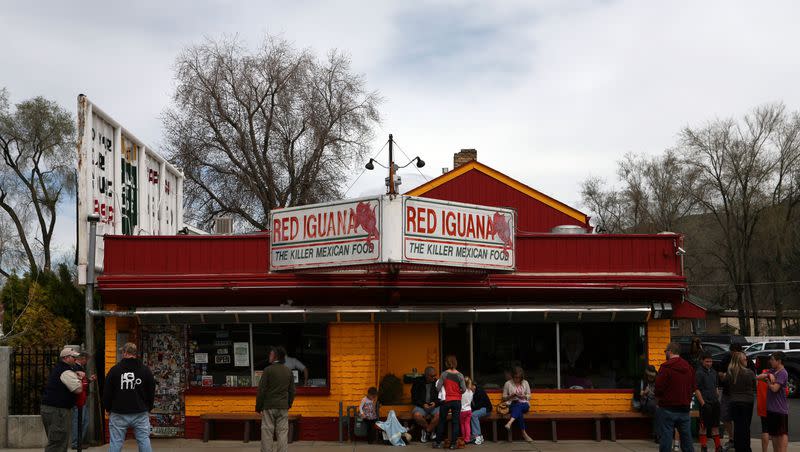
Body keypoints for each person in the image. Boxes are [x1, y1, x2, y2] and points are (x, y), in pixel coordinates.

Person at [103, 343, 155, 452]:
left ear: (125, 353)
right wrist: (149, 408)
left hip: (118, 412)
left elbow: (107, 392)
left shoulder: (114, 370)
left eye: (122, 352)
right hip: (140, 412)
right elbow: (151, 391)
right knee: (144, 440)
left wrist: (107, 408)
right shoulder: (145, 370)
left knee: (116, 442)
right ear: (134, 354)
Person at [41, 347, 84, 452]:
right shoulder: (65, 371)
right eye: (73, 357)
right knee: (58, 442)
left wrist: (75, 374)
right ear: (66, 358)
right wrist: (80, 379)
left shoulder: (60, 369)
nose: (76, 359)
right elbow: (78, 389)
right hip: (58, 411)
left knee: (56, 440)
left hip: (51, 409)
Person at [654, 342, 695, 452]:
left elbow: (658, 387)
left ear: (670, 351)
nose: (665, 353)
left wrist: (657, 401)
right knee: (686, 438)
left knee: (666, 436)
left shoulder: (665, 367)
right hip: (684, 407)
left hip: (667, 407)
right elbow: (693, 386)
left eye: (665, 351)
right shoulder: (689, 367)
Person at [256, 346, 296, 452]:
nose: (269, 356)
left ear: (275, 356)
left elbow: (261, 390)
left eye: (270, 354)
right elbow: (292, 391)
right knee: (282, 432)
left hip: (269, 406)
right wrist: (289, 404)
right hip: (283, 406)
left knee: (267, 432)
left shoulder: (268, 370)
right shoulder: (288, 371)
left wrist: (258, 406)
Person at [721, 351, 755, 452]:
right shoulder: (749, 373)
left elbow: (725, 383)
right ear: (740, 361)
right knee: (745, 427)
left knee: (737, 426)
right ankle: (746, 448)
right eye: (745, 359)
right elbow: (754, 385)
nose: (746, 361)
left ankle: (738, 447)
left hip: (734, 401)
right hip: (747, 402)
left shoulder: (730, 372)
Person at [755, 352, 789, 452]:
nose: (770, 361)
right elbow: (758, 377)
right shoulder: (773, 370)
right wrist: (768, 374)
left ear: (779, 361)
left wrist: (768, 382)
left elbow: (775, 389)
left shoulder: (783, 372)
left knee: (781, 434)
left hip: (780, 409)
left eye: (772, 359)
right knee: (773, 434)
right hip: (771, 409)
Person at [433, 355, 466, 449]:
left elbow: (438, 388)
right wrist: (457, 392)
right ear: (455, 363)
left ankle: (438, 442)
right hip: (457, 401)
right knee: (455, 422)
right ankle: (453, 444)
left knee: (442, 421)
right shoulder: (460, 375)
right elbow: (463, 389)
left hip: (446, 401)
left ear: (447, 363)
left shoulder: (444, 374)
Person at [695, 352, 722, 452]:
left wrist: (716, 395)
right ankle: (703, 446)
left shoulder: (714, 372)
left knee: (715, 426)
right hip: (705, 403)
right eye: (707, 361)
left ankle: (718, 447)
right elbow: (697, 389)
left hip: (714, 402)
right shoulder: (699, 373)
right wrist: (703, 403)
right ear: (702, 361)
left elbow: (716, 386)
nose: (709, 363)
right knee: (704, 426)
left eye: (711, 361)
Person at [71, 352, 96, 450]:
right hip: (78, 400)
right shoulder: (76, 369)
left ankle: (78, 442)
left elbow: (83, 383)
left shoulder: (79, 368)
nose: (86, 362)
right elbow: (78, 384)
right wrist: (87, 381)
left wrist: (89, 380)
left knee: (84, 421)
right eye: (86, 360)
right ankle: (76, 443)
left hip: (82, 399)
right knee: (79, 421)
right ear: (82, 359)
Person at [502, 366, 532, 443]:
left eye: (519, 377)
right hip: (513, 404)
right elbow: (504, 398)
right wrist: (511, 396)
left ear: (521, 377)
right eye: (515, 377)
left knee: (519, 405)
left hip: (524, 404)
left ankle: (510, 422)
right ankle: (524, 433)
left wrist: (523, 396)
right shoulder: (508, 384)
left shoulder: (525, 382)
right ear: (512, 376)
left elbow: (529, 396)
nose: (517, 379)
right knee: (519, 411)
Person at [411, 366, 440, 442]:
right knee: (417, 415)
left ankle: (427, 431)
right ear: (426, 375)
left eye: (435, 375)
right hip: (421, 406)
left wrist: (435, 403)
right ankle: (431, 430)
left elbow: (441, 397)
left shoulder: (437, 383)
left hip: (434, 406)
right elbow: (414, 398)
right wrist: (423, 404)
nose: (434, 378)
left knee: (440, 414)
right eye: (432, 376)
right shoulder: (417, 382)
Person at [469, 380, 492, 445]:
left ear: (473, 386)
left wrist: (472, 409)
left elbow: (480, 404)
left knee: (474, 415)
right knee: (470, 415)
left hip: (486, 408)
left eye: (469, 386)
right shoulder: (469, 392)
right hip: (478, 409)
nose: (468, 387)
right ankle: (479, 437)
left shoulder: (480, 391)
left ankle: (477, 436)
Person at [756, 366, 771, 452]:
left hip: (762, 405)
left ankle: (764, 450)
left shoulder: (761, 376)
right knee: (778, 433)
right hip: (774, 406)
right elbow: (785, 391)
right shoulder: (776, 374)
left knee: (765, 430)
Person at [459, 377, 473, 447]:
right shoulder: (470, 392)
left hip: (462, 411)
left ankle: (464, 437)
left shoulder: (461, 392)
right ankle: (467, 438)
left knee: (462, 424)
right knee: (467, 424)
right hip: (469, 410)